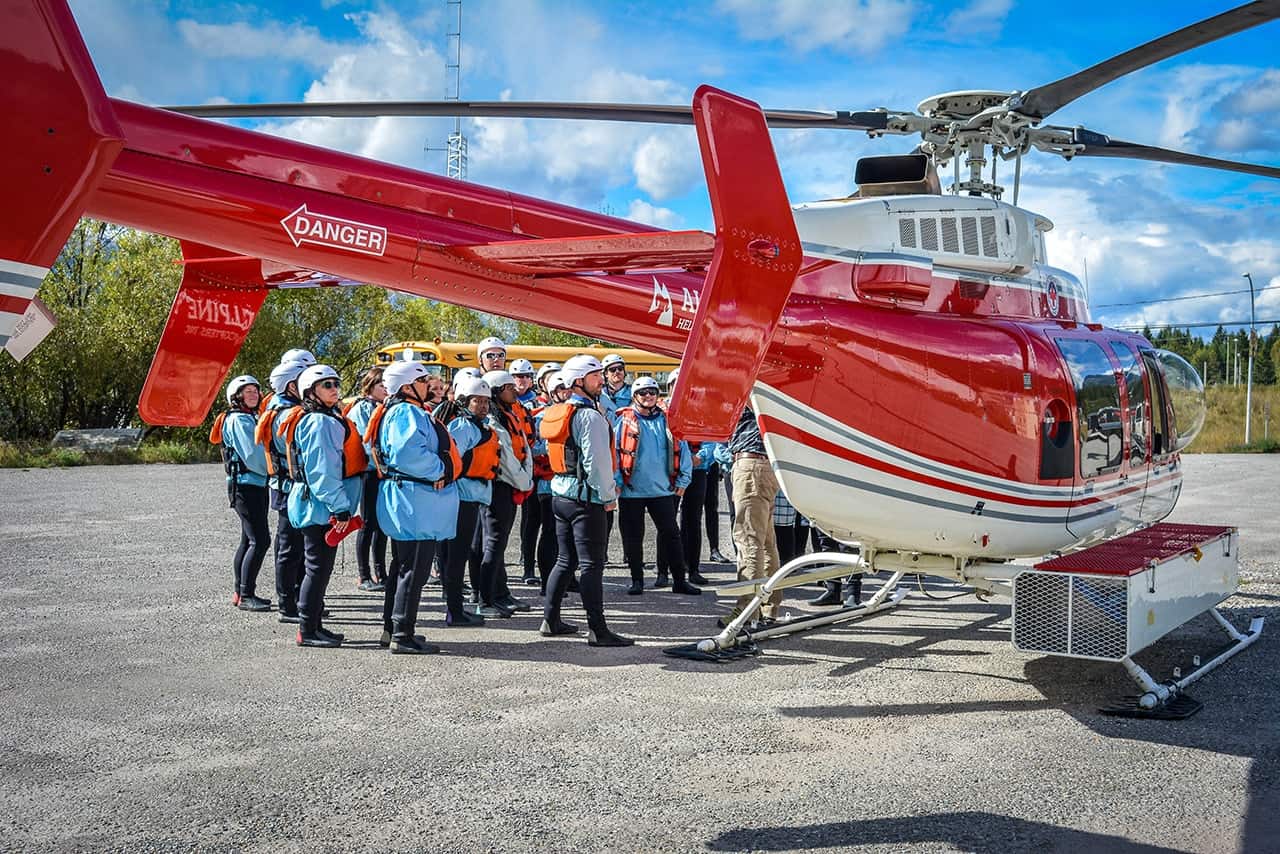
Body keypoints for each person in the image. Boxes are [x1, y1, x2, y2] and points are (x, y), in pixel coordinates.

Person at [367, 361, 462, 652]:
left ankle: (393, 628)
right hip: (414, 500)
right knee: (414, 568)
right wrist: (442, 470)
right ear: (407, 386)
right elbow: (409, 455)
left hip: (410, 499)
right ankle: (401, 634)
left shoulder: (401, 411)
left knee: (404, 565)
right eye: (422, 381)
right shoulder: (406, 412)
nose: (428, 385)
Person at [540, 354, 632, 647]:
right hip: (585, 499)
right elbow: (597, 463)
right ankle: (598, 630)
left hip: (561, 496)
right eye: (595, 377)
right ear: (579, 381)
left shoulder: (559, 411)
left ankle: (550, 620)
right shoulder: (590, 416)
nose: (601, 381)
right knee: (592, 565)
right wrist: (607, 497)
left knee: (564, 560)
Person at [281, 364, 365, 648]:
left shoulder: (325, 417)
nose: (334, 389)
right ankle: (307, 629)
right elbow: (322, 471)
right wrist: (340, 507)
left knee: (318, 567)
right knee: (316, 567)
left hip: (316, 504)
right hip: (319, 507)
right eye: (326, 385)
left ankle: (315, 625)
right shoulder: (320, 422)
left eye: (335, 383)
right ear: (311, 392)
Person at [613, 376, 702, 597]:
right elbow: (613, 454)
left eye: (652, 392)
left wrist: (683, 481)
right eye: (643, 392)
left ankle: (679, 580)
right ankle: (637, 580)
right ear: (635, 396)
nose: (649, 396)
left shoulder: (668, 421)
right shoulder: (623, 422)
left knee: (672, 534)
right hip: (630, 491)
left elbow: (683, 453)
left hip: (662, 490)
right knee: (633, 537)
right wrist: (615, 483)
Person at [442, 375, 499, 624]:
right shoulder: (463, 426)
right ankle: (454, 611)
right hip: (461, 498)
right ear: (465, 401)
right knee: (456, 556)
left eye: (487, 401)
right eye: (478, 401)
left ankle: (456, 609)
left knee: (460, 554)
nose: (484, 406)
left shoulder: (478, 426)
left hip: (472, 496)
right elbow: (454, 461)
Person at [257, 357, 310, 623]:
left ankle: (299, 598)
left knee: (296, 546)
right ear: (291, 385)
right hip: (289, 487)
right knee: (290, 548)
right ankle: (288, 605)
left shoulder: (283, 408)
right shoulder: (286, 412)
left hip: (286, 486)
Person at [214, 374, 272, 612]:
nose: (253, 395)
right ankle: (247, 594)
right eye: (247, 392)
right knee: (260, 540)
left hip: (254, 484)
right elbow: (253, 455)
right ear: (236, 396)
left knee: (248, 539)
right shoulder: (239, 420)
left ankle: (241, 591)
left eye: (255, 391)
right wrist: (273, 470)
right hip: (246, 486)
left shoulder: (249, 417)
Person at [480, 369, 535, 614]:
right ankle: (486, 600)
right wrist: (525, 482)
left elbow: (522, 447)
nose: (515, 391)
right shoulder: (493, 421)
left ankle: (501, 594)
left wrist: (525, 478)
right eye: (509, 388)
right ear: (496, 392)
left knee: (498, 544)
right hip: (499, 487)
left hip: (510, 485)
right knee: (493, 543)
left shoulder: (508, 415)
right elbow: (506, 460)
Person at [723, 403, 781, 627]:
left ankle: (747, 609)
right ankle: (769, 606)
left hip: (750, 464)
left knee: (749, 539)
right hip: (764, 464)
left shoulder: (749, 386)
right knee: (766, 541)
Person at [346, 366, 388, 592]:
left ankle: (381, 572)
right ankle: (364, 575)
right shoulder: (362, 409)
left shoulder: (384, 408)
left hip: (382, 472)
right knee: (368, 522)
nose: (386, 388)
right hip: (369, 472)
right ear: (370, 386)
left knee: (382, 524)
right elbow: (366, 440)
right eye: (381, 384)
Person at [599, 353, 631, 422]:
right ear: (606, 374)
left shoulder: (634, 393)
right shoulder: (599, 395)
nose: (617, 372)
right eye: (612, 370)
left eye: (620, 368)